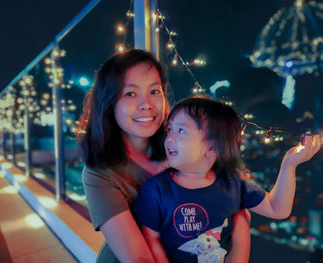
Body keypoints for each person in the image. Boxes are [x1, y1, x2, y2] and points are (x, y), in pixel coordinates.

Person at [77, 49, 251, 263]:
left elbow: (238, 211)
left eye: (154, 91)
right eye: (130, 93)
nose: (146, 104)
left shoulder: (188, 142)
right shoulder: (99, 173)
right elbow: (139, 259)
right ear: (109, 102)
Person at [133, 97, 321, 263]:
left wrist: (289, 164)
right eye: (170, 129)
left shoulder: (232, 185)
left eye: (181, 131)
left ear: (212, 147)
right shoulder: (156, 189)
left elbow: (277, 209)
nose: (170, 138)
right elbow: (151, 239)